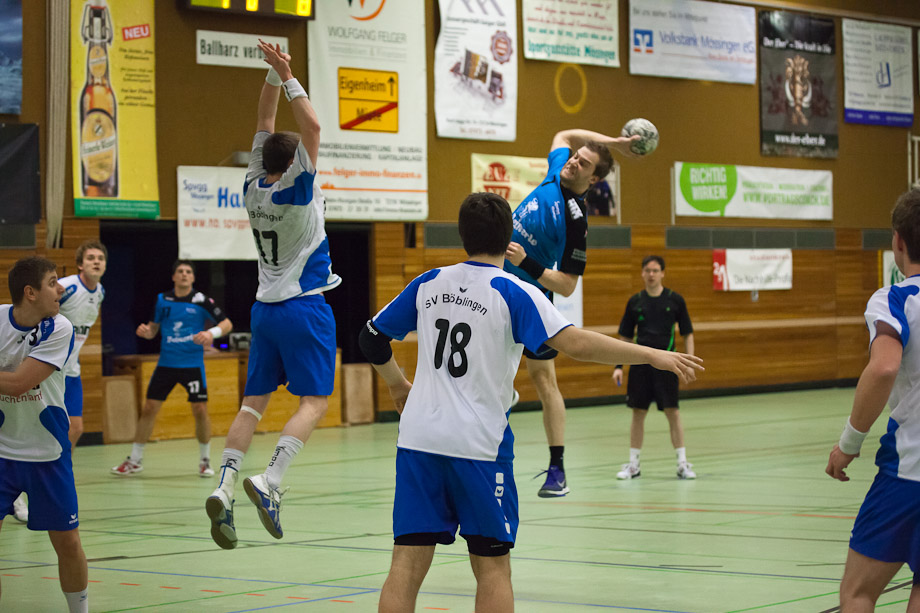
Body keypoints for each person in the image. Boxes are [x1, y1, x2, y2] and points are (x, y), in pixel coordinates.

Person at [360, 192, 703, 612]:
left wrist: (398, 386)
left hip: (418, 441)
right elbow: (577, 344)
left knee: (406, 563)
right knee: (492, 568)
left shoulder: (429, 282)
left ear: (462, 235)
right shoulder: (514, 291)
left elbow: (371, 337)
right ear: (509, 238)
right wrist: (651, 355)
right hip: (479, 448)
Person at [205, 40, 341, 550]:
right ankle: (271, 479)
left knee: (252, 405)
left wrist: (270, 73)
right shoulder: (297, 189)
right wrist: (288, 76)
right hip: (304, 307)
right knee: (315, 401)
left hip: (263, 310)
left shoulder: (251, 185)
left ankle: (224, 486)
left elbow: (265, 120)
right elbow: (314, 129)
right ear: (295, 162)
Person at [503, 128, 640, 497]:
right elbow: (564, 133)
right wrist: (615, 143)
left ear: (593, 180)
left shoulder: (575, 222)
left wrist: (526, 262)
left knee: (544, 381)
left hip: (531, 298)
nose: (574, 162)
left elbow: (566, 285)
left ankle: (557, 469)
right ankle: (502, 396)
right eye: (576, 156)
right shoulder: (558, 168)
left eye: (584, 163)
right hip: (495, 286)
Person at [825, 189, 920, 611]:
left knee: (858, 593)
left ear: (898, 241)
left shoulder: (895, 298)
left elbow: (883, 368)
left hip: (909, 472)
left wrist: (848, 444)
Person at [0, 257, 89, 613]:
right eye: (53, 282)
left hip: (47, 452)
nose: (61, 289)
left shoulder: (60, 327)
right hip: (2, 452)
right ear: (30, 292)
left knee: (68, 543)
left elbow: (19, 383)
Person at [111, 259, 232, 477]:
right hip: (166, 364)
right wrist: (146, 332)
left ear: (193, 278)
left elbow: (226, 324)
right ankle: (135, 460)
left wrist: (210, 333)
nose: (184, 274)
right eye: (180, 271)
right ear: (174, 276)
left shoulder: (201, 300)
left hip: (192, 365)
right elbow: (153, 329)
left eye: (188, 272)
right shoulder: (162, 299)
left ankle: (205, 460)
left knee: (200, 409)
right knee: (149, 408)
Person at [612, 255, 696, 480]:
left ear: (662, 273)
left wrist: (688, 362)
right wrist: (618, 366)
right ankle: (633, 465)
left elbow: (687, 333)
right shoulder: (635, 301)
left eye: (655, 270)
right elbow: (625, 337)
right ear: (642, 273)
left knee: (672, 412)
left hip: (668, 366)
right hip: (640, 366)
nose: (651, 274)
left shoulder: (675, 300)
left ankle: (682, 463)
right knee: (638, 413)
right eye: (647, 270)